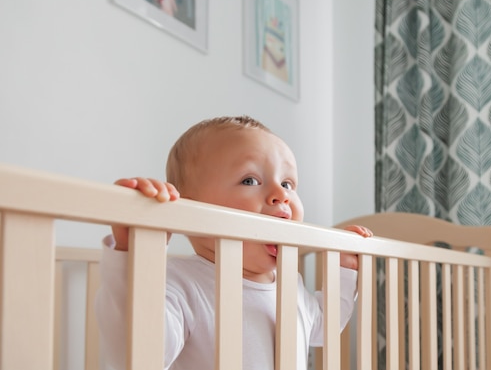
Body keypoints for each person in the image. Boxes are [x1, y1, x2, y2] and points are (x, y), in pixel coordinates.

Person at [95, 115, 373, 370]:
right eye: (250, 180)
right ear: (191, 211)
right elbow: (139, 355)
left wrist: (344, 271)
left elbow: (323, 327)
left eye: (288, 184)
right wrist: (138, 255)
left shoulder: (290, 283)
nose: (281, 194)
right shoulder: (180, 284)